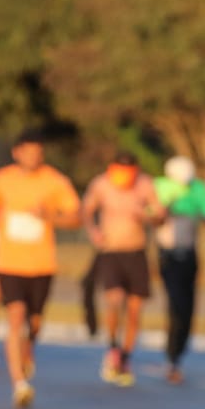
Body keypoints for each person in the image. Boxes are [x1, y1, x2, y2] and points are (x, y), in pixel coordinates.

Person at [0, 129, 81, 409]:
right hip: (8, 262)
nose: (32, 157)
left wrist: (49, 215)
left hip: (42, 264)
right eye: (27, 151)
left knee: (35, 322)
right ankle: (20, 384)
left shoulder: (55, 181)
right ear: (17, 152)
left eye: (37, 152)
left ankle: (29, 350)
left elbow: (76, 217)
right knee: (16, 316)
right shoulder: (2, 180)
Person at [82, 151, 164, 387]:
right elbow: (86, 210)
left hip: (136, 252)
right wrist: (93, 232)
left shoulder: (145, 184)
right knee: (114, 300)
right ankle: (113, 348)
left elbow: (158, 215)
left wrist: (147, 215)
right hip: (110, 252)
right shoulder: (101, 184)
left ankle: (126, 357)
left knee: (135, 309)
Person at [153, 155, 205, 384]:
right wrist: (167, 206)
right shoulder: (160, 187)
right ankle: (171, 357)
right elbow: (153, 216)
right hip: (167, 256)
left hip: (189, 255)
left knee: (188, 306)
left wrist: (202, 212)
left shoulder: (198, 189)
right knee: (175, 304)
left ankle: (178, 352)